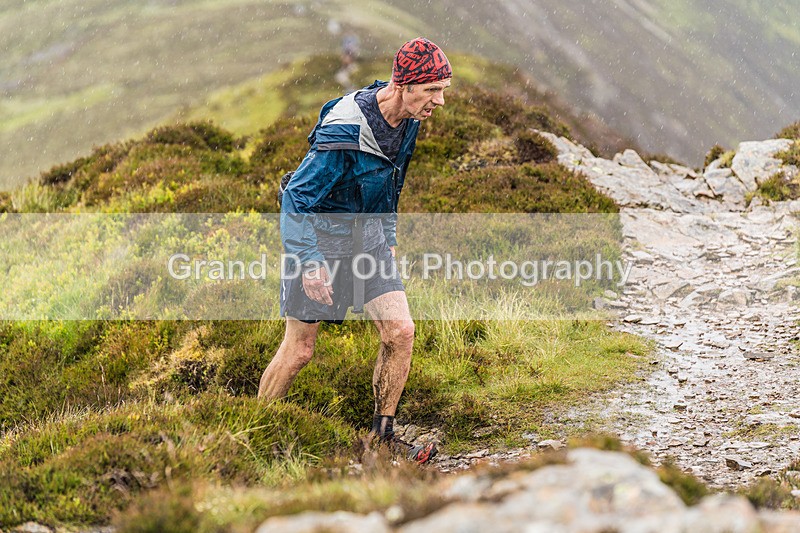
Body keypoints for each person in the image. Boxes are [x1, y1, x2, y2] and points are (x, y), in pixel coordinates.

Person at [258, 38, 452, 464]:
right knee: (300, 350)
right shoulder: (345, 130)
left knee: (400, 333)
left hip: (368, 241)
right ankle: (253, 429)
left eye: (443, 89)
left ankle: (381, 440)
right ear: (404, 84)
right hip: (320, 240)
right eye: (432, 90)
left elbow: (391, 181)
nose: (439, 101)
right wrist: (309, 265)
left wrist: (390, 235)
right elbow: (296, 199)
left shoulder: (411, 121)